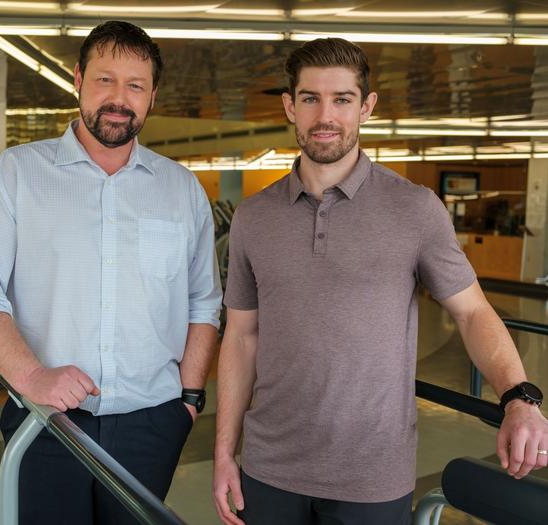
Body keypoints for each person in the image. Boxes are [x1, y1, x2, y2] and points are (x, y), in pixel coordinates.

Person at [213, 37, 548, 525]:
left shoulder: (414, 210)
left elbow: (472, 312)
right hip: (269, 470)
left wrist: (518, 397)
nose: (325, 115)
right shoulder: (253, 217)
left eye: (342, 99)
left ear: (366, 107)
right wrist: (224, 453)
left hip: (371, 476)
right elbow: (241, 338)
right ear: (290, 106)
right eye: (310, 98)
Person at [0, 20, 221, 525]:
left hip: (153, 424)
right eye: (105, 80)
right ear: (77, 79)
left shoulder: (181, 190)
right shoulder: (15, 176)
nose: (119, 98)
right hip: (45, 420)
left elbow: (203, 303)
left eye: (135, 85)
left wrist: (187, 401)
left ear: (152, 96)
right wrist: (32, 376)